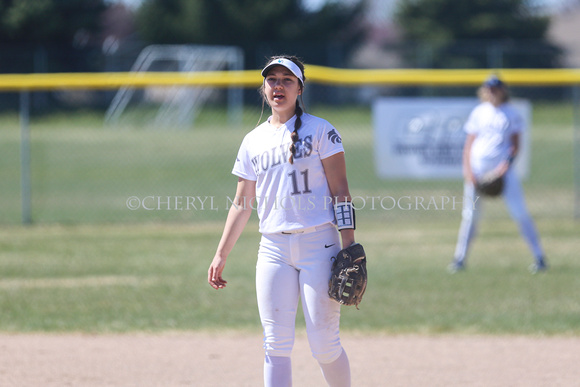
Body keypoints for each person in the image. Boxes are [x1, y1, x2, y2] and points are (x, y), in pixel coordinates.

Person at [208, 55, 355, 387]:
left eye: (287, 80)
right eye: (272, 80)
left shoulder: (321, 130)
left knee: (324, 345)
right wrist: (221, 253)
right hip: (273, 248)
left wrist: (350, 244)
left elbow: (341, 191)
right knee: (274, 344)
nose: (278, 86)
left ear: (299, 89)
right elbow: (243, 203)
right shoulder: (253, 141)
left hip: (320, 243)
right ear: (263, 88)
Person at [449, 75, 547, 274]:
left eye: (496, 88)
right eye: (489, 88)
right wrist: (468, 171)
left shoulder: (511, 113)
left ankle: (539, 257)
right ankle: (459, 259)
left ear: (503, 90)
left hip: (503, 173)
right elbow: (469, 145)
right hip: (477, 171)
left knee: (520, 213)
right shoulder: (478, 112)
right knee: (470, 216)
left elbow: (515, 145)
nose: (492, 91)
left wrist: (503, 168)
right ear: (484, 90)